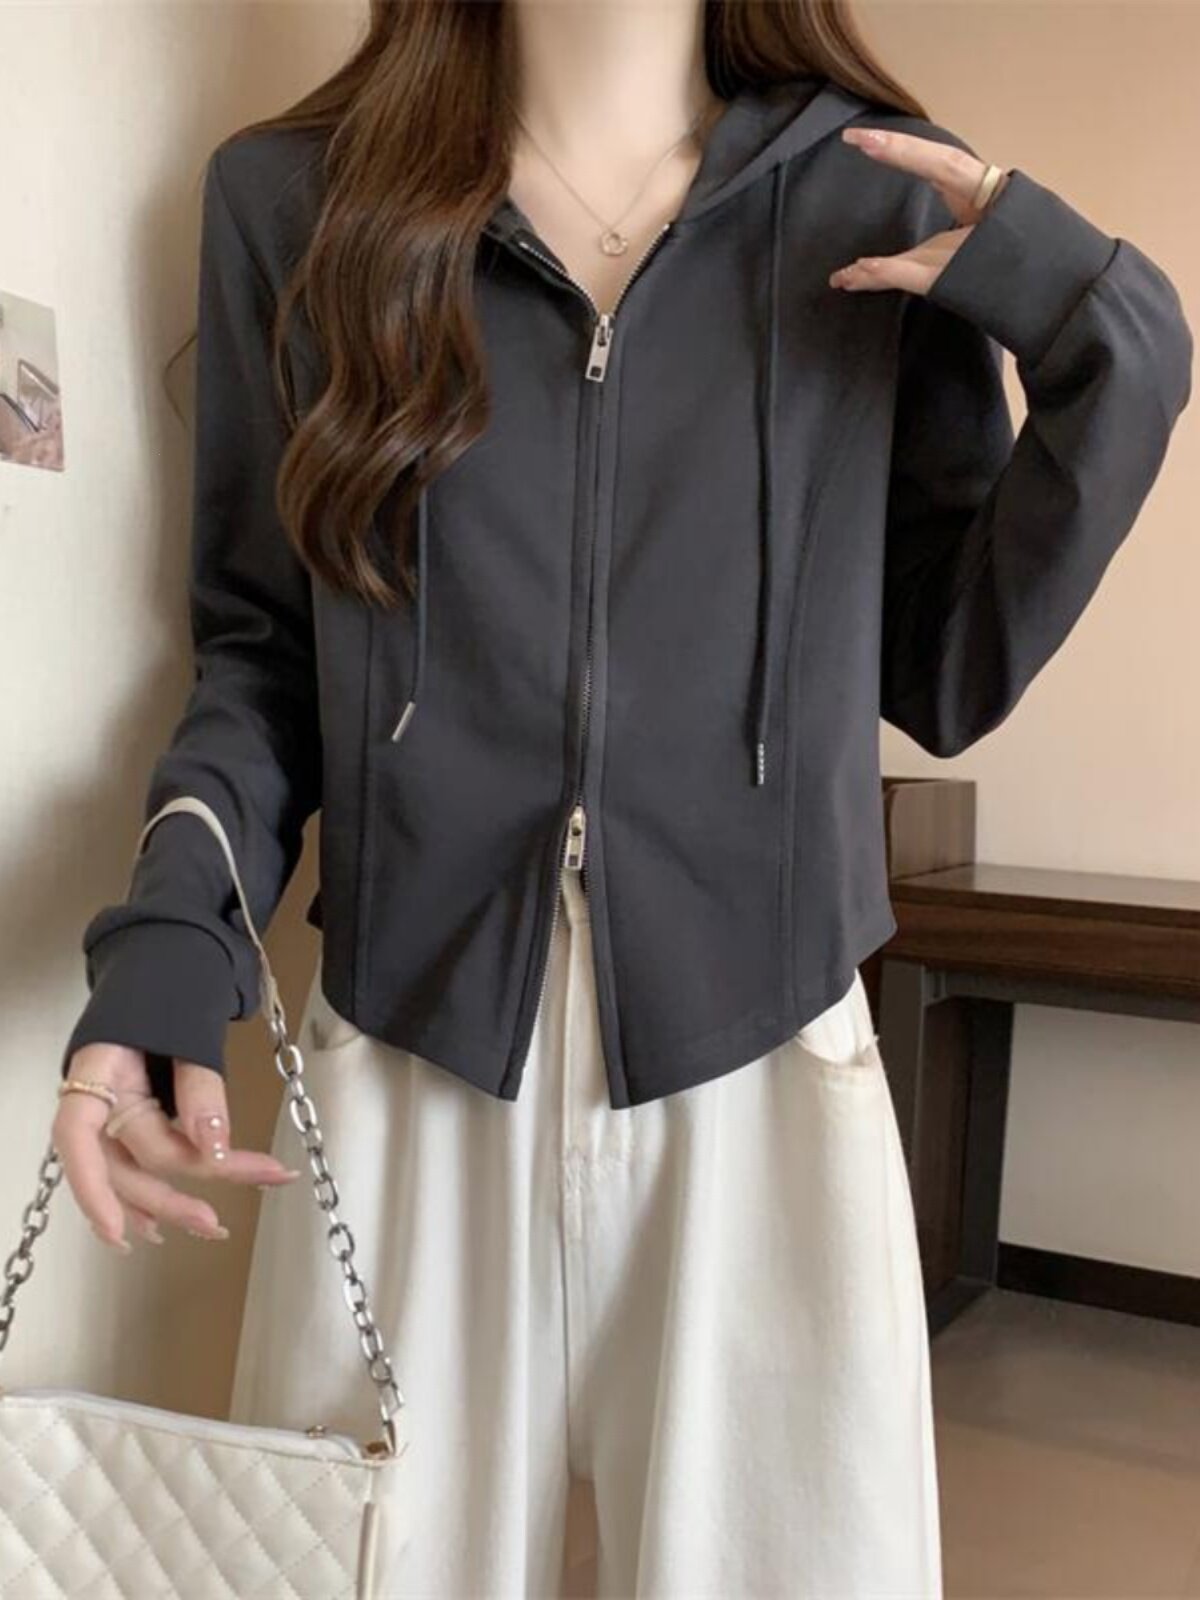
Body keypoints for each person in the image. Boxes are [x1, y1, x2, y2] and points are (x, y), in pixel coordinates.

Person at [52, 0, 1192, 1593]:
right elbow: (261, 653)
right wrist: (171, 936)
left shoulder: (871, 194)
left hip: (764, 1060)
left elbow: (945, 673)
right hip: (413, 1055)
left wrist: (1098, 324)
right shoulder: (297, 200)